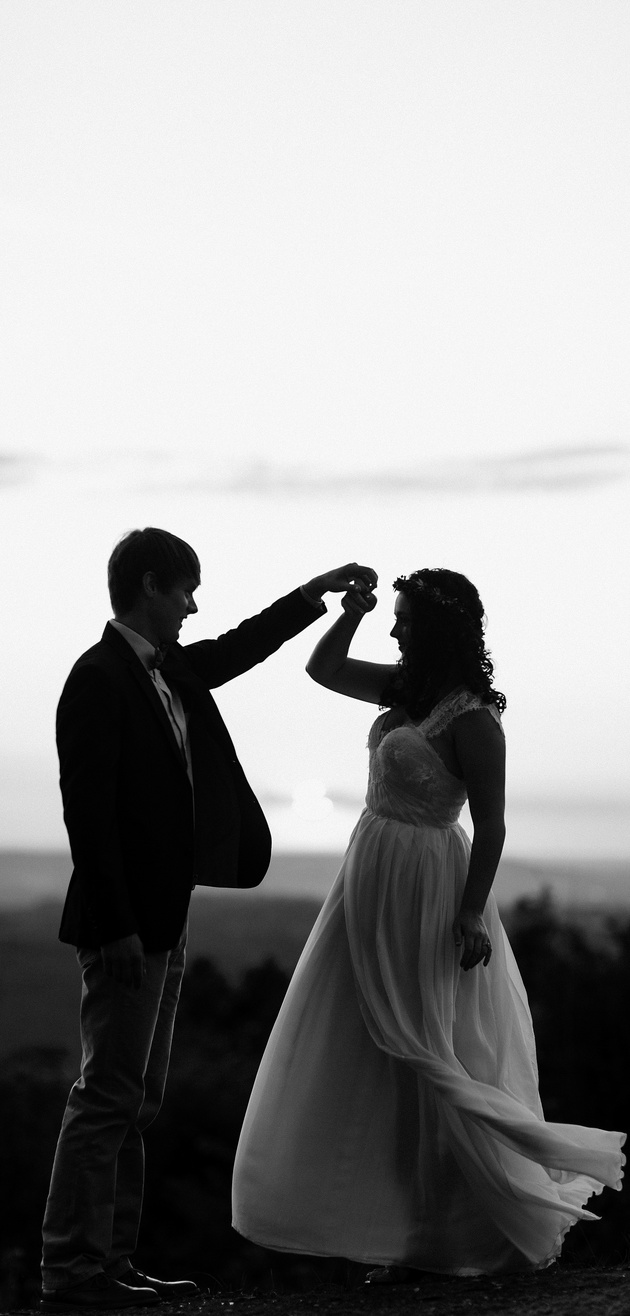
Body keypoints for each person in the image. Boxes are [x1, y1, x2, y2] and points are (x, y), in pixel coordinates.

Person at [232, 567, 625, 1278]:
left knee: (424, 1044)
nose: (395, 629)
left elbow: (494, 825)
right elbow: (322, 667)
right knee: (365, 1041)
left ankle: (452, 1224)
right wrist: (351, 611)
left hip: (428, 887)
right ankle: (392, 1227)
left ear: (438, 629)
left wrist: (471, 911)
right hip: (369, 878)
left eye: (406, 619)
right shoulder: (402, 689)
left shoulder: (472, 718)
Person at [40, 526, 377, 1313]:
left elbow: (240, 647)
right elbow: (86, 814)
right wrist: (118, 925)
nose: (194, 606)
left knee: (139, 1096)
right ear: (152, 584)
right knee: (105, 1096)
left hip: (165, 916)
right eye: (186, 589)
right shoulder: (97, 678)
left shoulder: (168, 670)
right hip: (123, 926)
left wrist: (314, 592)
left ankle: (112, 1264)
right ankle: (71, 1272)